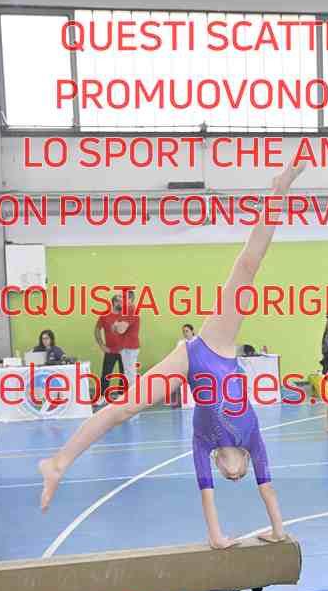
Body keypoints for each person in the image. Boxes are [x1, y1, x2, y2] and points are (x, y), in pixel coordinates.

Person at [40, 161, 306, 548]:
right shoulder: (253, 438)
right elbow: (268, 490)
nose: (232, 475)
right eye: (239, 475)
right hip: (216, 347)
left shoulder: (203, 444)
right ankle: (278, 192)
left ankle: (57, 463)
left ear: (217, 465)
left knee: (123, 409)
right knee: (247, 268)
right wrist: (278, 531)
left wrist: (218, 537)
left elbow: (209, 506)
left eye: (226, 476)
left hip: (190, 361)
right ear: (246, 461)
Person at [95, 296, 125, 401]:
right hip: (110, 350)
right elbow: (97, 330)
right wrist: (102, 345)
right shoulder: (105, 316)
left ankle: (121, 395)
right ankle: (103, 396)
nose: (121, 304)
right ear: (114, 303)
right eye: (119, 302)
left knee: (124, 373)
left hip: (125, 350)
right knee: (106, 373)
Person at [117, 289, 141, 391]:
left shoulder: (130, 310)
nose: (120, 299)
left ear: (130, 299)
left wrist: (116, 325)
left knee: (130, 374)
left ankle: (134, 396)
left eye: (123, 297)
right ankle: (131, 395)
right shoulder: (125, 311)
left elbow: (120, 330)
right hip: (126, 346)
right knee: (128, 373)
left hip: (130, 346)